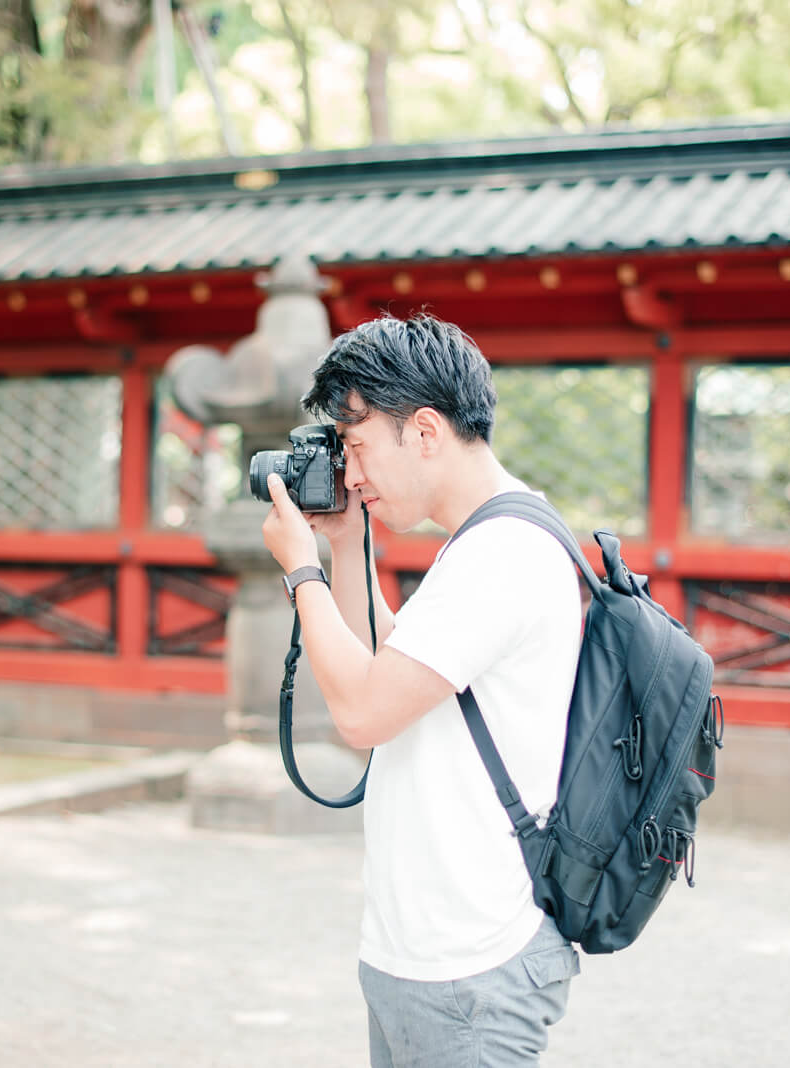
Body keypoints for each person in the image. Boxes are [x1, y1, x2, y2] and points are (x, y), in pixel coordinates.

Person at [260, 314, 583, 1066]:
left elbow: (363, 713)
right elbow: (390, 672)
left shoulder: (501, 553)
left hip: (469, 965)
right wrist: (345, 545)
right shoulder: (487, 540)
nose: (352, 474)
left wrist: (301, 569)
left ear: (426, 431)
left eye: (358, 446)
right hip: (429, 956)